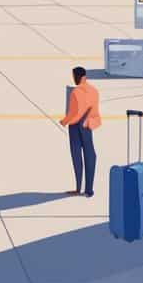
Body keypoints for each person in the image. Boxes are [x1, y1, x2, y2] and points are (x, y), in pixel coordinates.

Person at [59, 66, 101, 198]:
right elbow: (94, 110)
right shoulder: (94, 91)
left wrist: (64, 121)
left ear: (78, 76)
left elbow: (74, 113)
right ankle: (89, 189)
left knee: (77, 156)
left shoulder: (75, 92)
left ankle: (78, 187)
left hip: (76, 126)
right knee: (90, 155)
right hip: (87, 125)